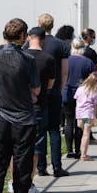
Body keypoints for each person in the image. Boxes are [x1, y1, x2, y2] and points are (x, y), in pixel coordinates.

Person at [0, 18, 40, 193]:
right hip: (24, 119)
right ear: (22, 36)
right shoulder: (28, 60)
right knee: (21, 166)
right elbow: (35, 90)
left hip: (2, 116)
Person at [35, 13, 70, 177]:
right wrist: (60, 89)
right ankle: (57, 167)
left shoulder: (35, 43)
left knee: (40, 130)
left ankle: (41, 167)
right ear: (52, 25)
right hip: (55, 91)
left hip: (38, 92)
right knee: (54, 130)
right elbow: (64, 72)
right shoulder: (61, 45)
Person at [23, 27, 55, 193]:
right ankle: (29, 183)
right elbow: (50, 84)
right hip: (39, 105)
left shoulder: (22, 56)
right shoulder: (48, 59)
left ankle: (14, 181)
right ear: (44, 39)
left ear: (28, 37)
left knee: (18, 145)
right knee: (36, 146)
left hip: (19, 105)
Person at [62, 38, 95, 159]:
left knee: (69, 122)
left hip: (67, 93)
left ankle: (69, 150)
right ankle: (79, 150)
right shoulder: (88, 62)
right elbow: (94, 80)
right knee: (81, 123)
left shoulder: (66, 61)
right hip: (84, 97)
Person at [74, 72, 97, 161]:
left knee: (83, 133)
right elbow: (95, 106)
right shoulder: (94, 91)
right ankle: (84, 155)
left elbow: (77, 100)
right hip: (88, 115)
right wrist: (95, 116)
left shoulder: (80, 89)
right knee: (86, 135)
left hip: (79, 114)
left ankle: (82, 152)